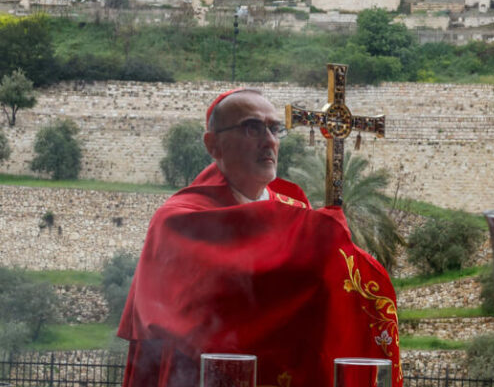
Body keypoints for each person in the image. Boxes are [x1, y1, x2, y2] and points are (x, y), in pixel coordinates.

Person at [118, 88, 402, 387]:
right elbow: (223, 304)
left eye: (275, 129)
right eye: (252, 128)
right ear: (213, 144)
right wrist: (318, 237)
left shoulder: (296, 208)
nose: (269, 141)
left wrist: (331, 250)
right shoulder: (179, 220)